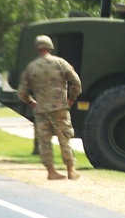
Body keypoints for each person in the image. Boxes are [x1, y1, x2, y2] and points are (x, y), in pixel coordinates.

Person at [18, 34, 83, 180]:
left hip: (41, 110)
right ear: (50, 47)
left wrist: (31, 102)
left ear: (37, 49)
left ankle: (51, 171)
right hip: (60, 108)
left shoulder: (31, 67)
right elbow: (76, 82)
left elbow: (22, 92)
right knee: (64, 138)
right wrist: (71, 98)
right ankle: (71, 170)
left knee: (44, 141)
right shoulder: (60, 63)